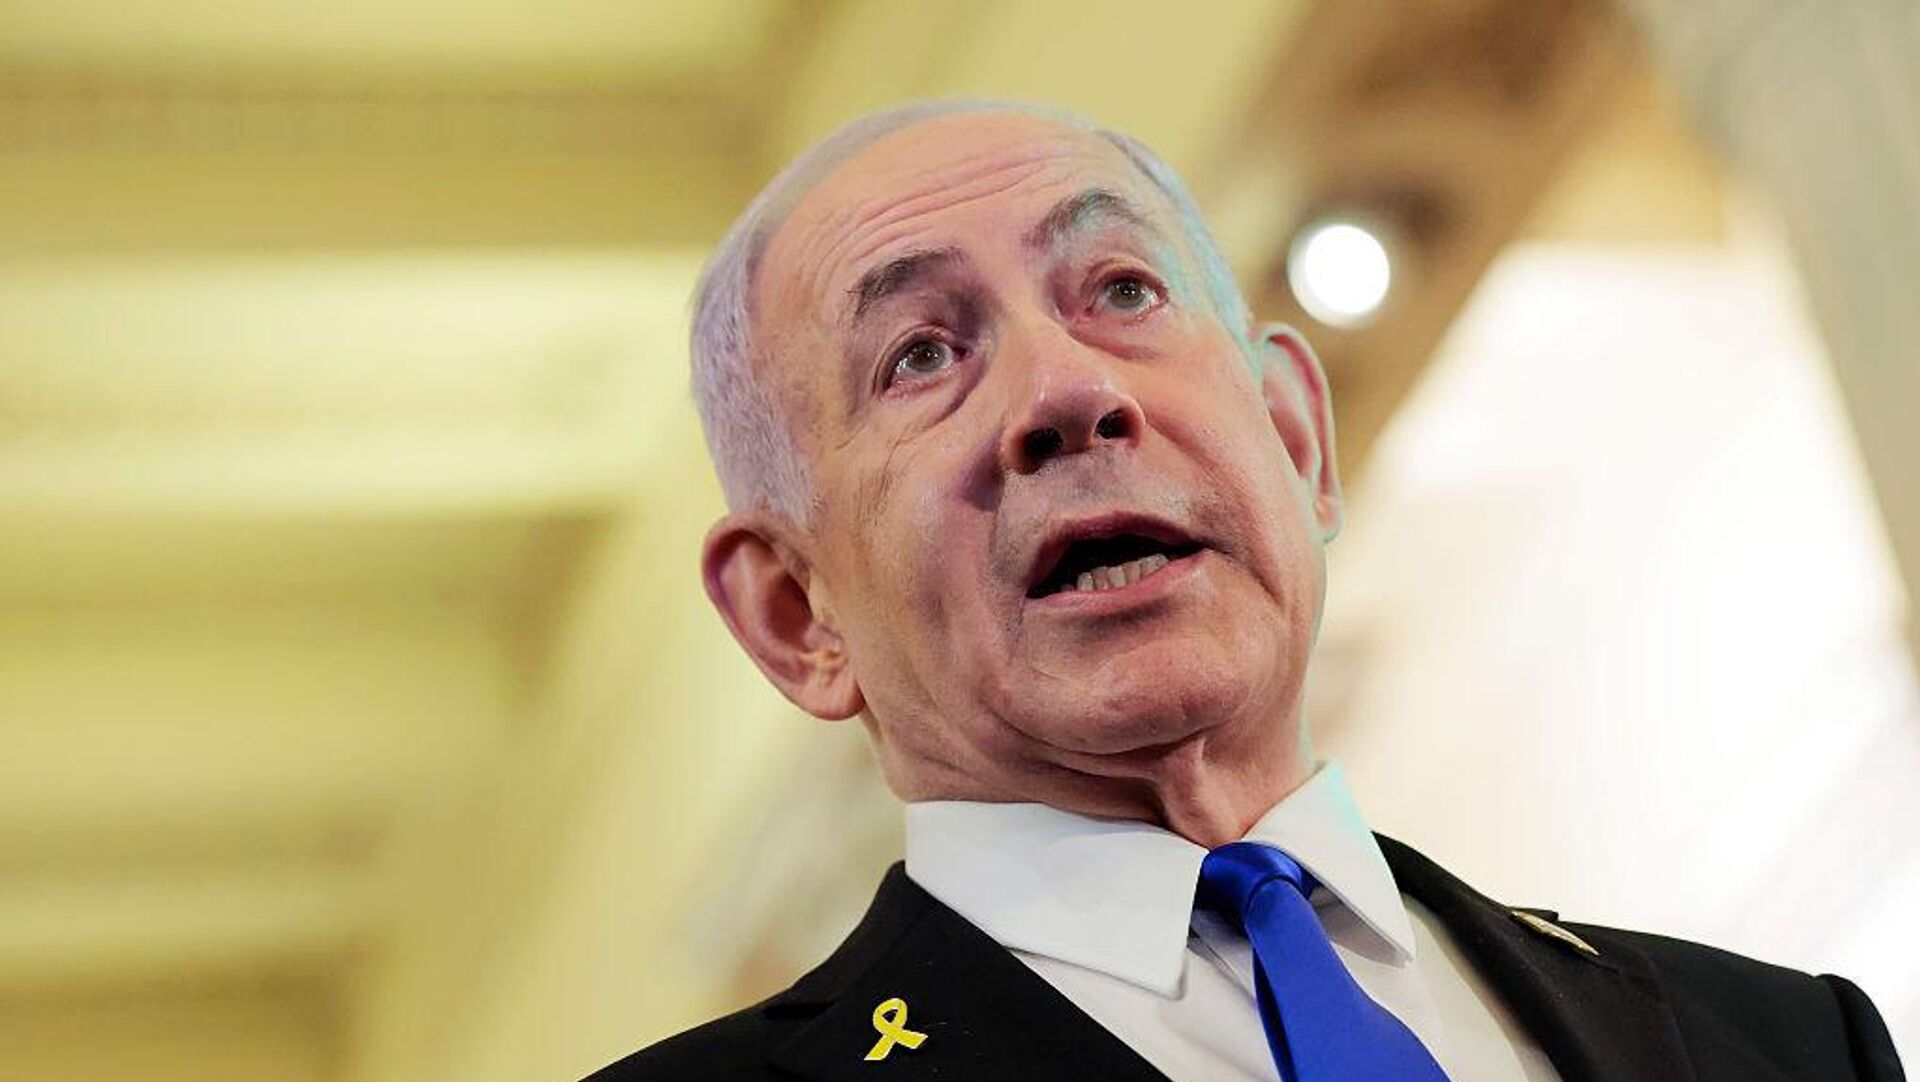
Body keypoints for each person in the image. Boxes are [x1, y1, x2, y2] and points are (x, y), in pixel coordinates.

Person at [586, 100, 1906, 1082]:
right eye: (921, 354)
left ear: (1296, 439)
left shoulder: (1787, 1044)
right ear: (796, 616)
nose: (1069, 390)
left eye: (1123, 289)